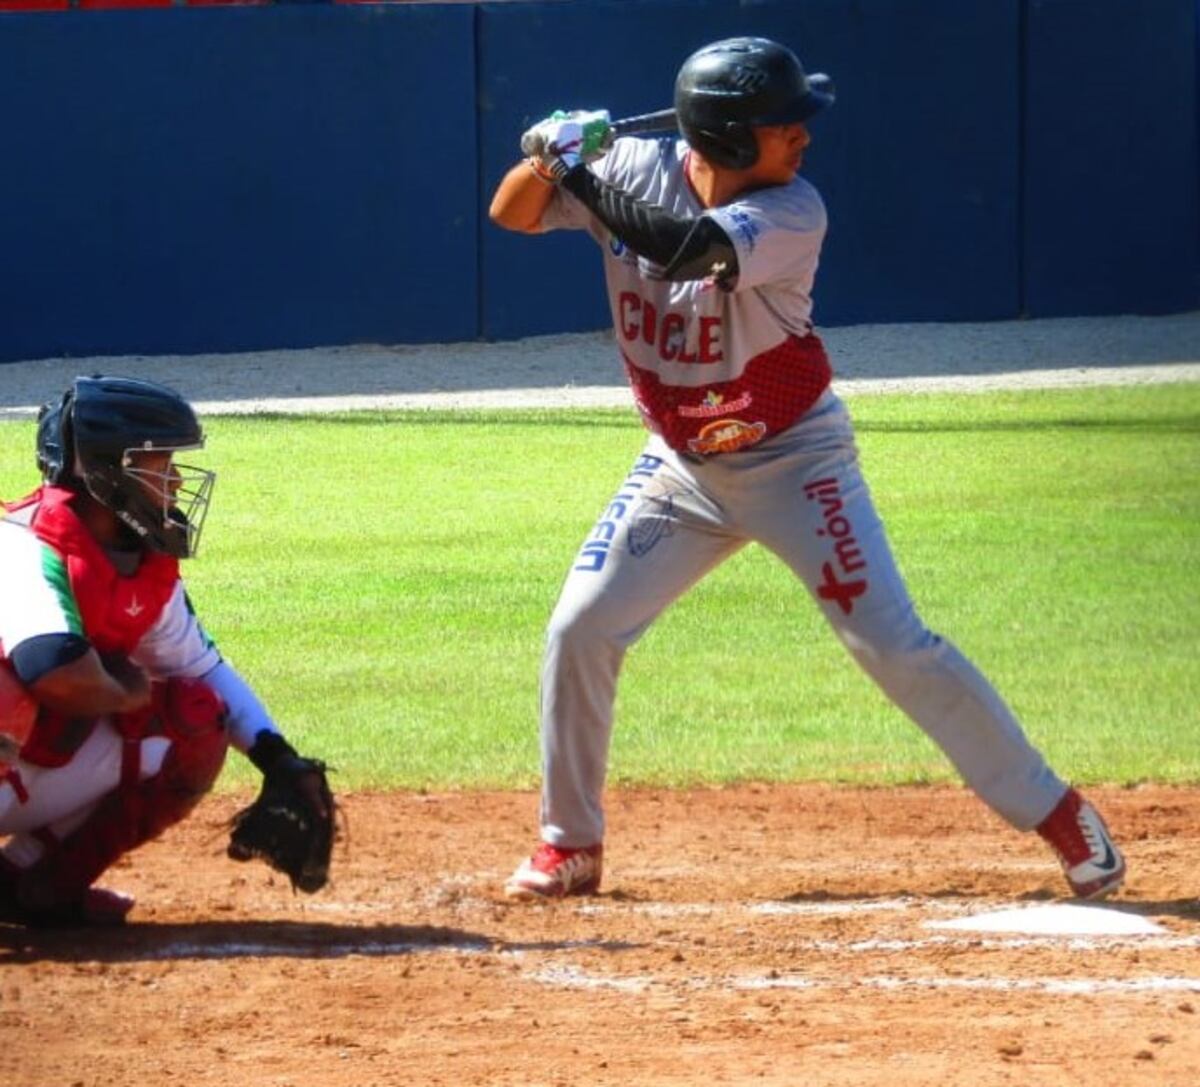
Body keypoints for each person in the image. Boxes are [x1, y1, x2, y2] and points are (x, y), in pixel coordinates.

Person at [488, 37, 1125, 902]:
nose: (803, 138)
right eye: (784, 125)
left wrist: (585, 177)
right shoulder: (634, 164)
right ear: (728, 138)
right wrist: (544, 154)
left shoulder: (793, 212)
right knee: (580, 627)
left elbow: (686, 251)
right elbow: (511, 213)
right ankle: (572, 846)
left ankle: (1058, 813)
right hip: (683, 469)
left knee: (895, 646)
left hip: (797, 459)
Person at [0, 374, 332, 926]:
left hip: (22, 771)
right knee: (9, 694)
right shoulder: (24, 542)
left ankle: (28, 885)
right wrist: (127, 687)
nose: (177, 481)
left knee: (194, 720)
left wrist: (280, 760)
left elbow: (202, 669)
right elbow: (56, 673)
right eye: (161, 463)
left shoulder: (140, 560)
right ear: (108, 471)